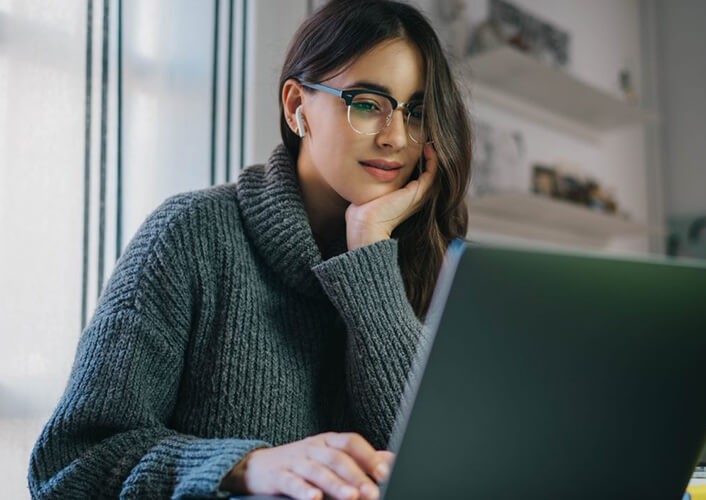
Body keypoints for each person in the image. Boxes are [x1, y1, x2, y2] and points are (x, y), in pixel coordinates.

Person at [28, 0, 471, 498]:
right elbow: (70, 467)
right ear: (295, 106)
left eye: (415, 112)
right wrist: (245, 467)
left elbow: (434, 471)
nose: (396, 138)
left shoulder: (426, 257)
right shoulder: (191, 235)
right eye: (368, 103)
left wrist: (369, 259)